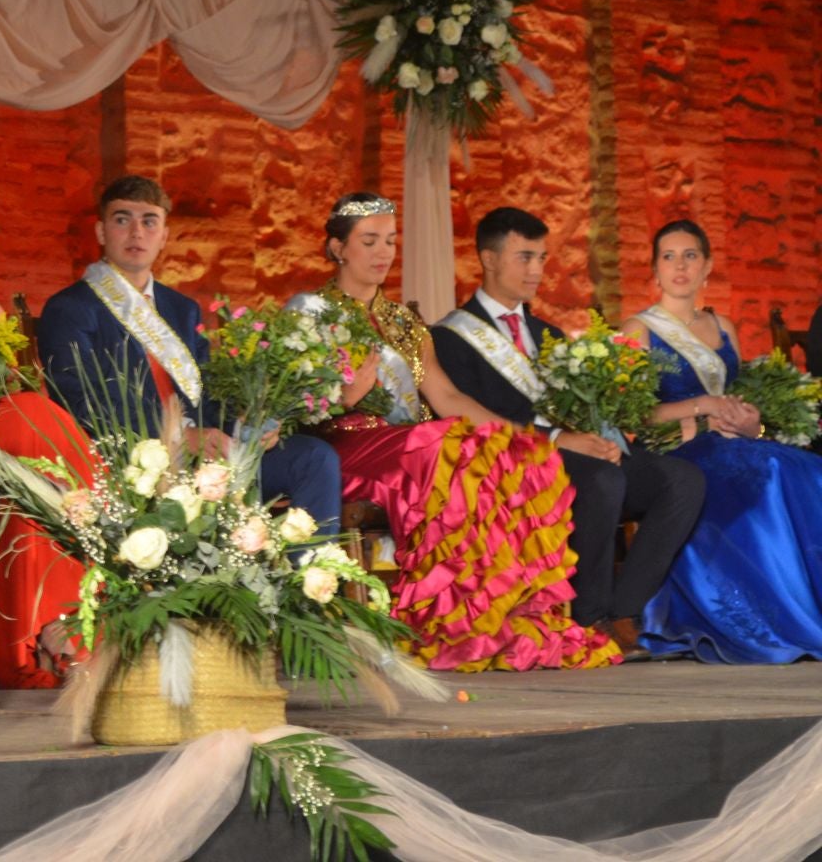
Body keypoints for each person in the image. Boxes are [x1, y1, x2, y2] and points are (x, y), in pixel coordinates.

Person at [288, 194, 615, 670]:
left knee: (494, 450)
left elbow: (448, 400)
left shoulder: (404, 323)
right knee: (443, 443)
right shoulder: (310, 309)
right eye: (369, 241)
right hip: (346, 443)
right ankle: (446, 620)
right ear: (338, 247)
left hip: (410, 442)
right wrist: (343, 396)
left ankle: (496, 617)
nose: (383, 253)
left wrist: (524, 439)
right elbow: (292, 406)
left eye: (390, 242)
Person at [432, 206, 704, 661]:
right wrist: (556, 439)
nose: (537, 270)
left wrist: (600, 433)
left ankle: (626, 609)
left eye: (541, 257)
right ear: (489, 259)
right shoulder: (451, 337)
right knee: (602, 479)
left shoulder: (548, 333)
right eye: (524, 257)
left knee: (682, 481)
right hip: (511, 464)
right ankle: (588, 616)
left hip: (576, 454)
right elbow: (468, 418)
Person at [34, 176, 341, 533]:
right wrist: (179, 438)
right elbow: (81, 403)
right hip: (131, 459)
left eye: (149, 221)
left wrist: (245, 426)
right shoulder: (70, 308)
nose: (136, 232)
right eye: (122, 219)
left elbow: (209, 392)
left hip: (206, 457)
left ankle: (308, 575)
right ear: (101, 231)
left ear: (164, 236)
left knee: (313, 458)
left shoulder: (181, 309)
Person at [625, 220, 822, 662]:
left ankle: (805, 605)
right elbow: (634, 417)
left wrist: (753, 425)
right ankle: (772, 617)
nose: (680, 266)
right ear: (654, 270)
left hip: (733, 443)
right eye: (669, 257)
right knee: (768, 473)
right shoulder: (638, 330)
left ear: (707, 266)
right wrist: (702, 408)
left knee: (807, 469)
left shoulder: (724, 326)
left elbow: (739, 402)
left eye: (690, 255)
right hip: (675, 449)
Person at [0, 173, 88, 688]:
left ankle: (62, 623)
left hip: (3, 425)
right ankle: (39, 633)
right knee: (34, 427)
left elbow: (16, 381)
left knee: (43, 444)